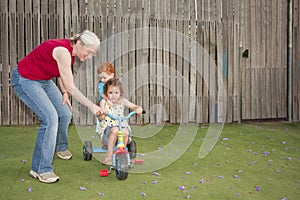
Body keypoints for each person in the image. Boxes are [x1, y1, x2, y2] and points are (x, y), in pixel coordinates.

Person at [11, 30, 103, 183]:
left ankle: (60, 147)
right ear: (79, 44)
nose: (89, 57)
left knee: (65, 113)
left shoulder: (70, 52)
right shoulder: (63, 51)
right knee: (50, 119)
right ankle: (40, 169)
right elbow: (72, 87)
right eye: (89, 52)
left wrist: (64, 93)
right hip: (25, 79)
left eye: (92, 54)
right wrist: (92, 106)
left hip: (43, 80)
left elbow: (61, 73)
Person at [97, 78, 143, 165]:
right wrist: (103, 112)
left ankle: (122, 155)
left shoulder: (123, 101)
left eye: (116, 93)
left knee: (125, 132)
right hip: (109, 130)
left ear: (120, 93)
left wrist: (138, 108)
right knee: (115, 130)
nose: (113, 95)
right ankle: (109, 155)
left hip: (122, 127)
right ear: (106, 93)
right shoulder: (103, 102)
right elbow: (100, 117)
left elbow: (133, 106)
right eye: (110, 93)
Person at [95, 62, 114, 134]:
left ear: (111, 75)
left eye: (104, 78)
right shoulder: (101, 85)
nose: (102, 80)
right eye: (101, 78)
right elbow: (101, 94)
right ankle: (103, 112)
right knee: (102, 101)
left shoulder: (114, 84)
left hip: (112, 102)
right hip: (104, 100)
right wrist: (107, 99)